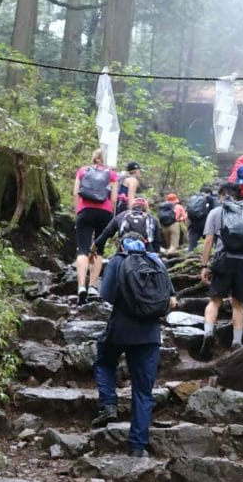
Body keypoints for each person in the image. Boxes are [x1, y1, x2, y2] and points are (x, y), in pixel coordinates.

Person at [90, 230, 177, 458]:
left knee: (104, 361)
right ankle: (137, 446)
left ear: (120, 244)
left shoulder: (118, 261)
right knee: (143, 390)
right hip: (149, 334)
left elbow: (106, 296)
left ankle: (109, 403)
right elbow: (171, 300)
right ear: (145, 243)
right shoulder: (156, 261)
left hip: (120, 329)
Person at [199, 182, 243, 359]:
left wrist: (204, 265)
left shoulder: (216, 212)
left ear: (221, 196)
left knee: (214, 301)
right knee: (238, 304)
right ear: (239, 196)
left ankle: (208, 333)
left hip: (223, 260)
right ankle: (236, 342)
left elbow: (209, 241)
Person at [73, 149, 117, 305]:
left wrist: (77, 211)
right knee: (99, 249)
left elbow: (76, 193)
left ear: (94, 158)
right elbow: (113, 198)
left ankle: (81, 287)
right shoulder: (111, 174)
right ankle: (92, 286)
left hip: (85, 211)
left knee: (83, 249)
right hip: (104, 212)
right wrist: (110, 216)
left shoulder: (83, 170)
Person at [90, 196, 163, 257]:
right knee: (161, 270)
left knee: (110, 270)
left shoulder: (122, 216)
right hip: (146, 253)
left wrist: (93, 249)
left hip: (124, 253)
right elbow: (157, 242)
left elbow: (106, 234)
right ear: (146, 209)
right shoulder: (152, 219)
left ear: (132, 207)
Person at [186, 184, 218, 251]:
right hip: (205, 223)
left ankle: (190, 253)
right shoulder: (209, 198)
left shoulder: (193, 198)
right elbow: (213, 211)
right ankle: (209, 253)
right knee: (209, 240)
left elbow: (188, 211)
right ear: (209, 192)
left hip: (194, 223)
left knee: (192, 241)